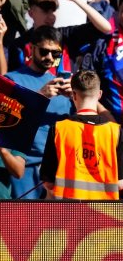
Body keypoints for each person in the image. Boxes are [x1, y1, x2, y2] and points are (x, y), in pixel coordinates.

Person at [4, 26, 72, 199]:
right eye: (44, 51)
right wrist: (40, 96)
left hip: (57, 170)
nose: (49, 57)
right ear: (32, 48)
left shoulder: (63, 85)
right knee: (24, 224)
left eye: (55, 54)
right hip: (23, 168)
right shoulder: (12, 79)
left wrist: (77, 99)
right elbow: (4, 121)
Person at [40, 70, 123, 199]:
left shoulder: (58, 129)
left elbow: (48, 183)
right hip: (104, 213)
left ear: (73, 94)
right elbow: (120, 183)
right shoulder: (116, 131)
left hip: (67, 212)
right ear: (100, 94)